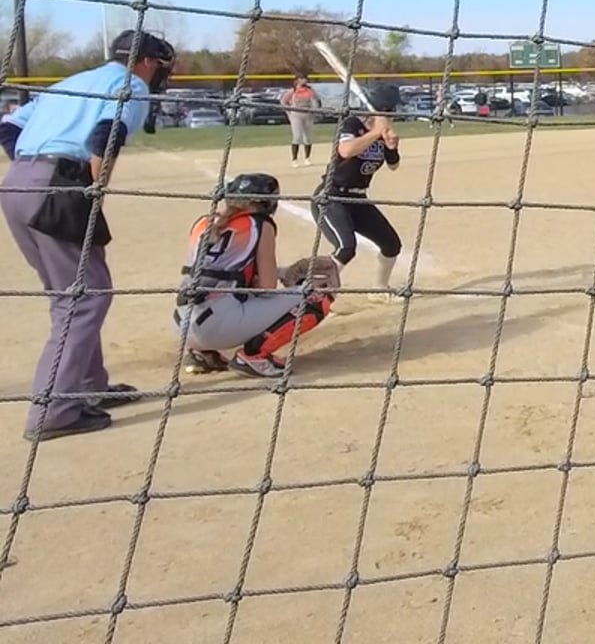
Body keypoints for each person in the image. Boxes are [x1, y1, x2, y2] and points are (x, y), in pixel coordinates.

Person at [0, 30, 174, 440]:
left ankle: (88, 386)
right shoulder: (131, 84)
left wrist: (34, 166)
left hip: (17, 183)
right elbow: (105, 137)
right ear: (147, 62)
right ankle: (54, 411)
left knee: (71, 293)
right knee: (85, 298)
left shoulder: (74, 80)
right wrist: (92, 189)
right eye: (159, 66)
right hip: (58, 186)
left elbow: (7, 127)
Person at [175, 173, 340, 377]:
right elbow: (267, 288)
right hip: (215, 327)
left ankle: (201, 354)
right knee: (317, 296)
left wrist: (282, 272)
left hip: (182, 325)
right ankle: (253, 356)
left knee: (230, 292)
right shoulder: (260, 224)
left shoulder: (204, 222)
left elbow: (222, 270)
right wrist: (290, 280)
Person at [315, 82, 405, 298]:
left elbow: (393, 165)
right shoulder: (351, 124)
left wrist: (391, 147)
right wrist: (375, 132)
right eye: (392, 109)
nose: (395, 114)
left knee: (391, 244)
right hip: (331, 197)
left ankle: (379, 290)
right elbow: (346, 151)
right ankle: (313, 296)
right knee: (346, 248)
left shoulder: (382, 132)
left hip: (358, 199)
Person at [280, 75, 321, 166]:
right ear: (297, 80)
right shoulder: (293, 91)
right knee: (297, 137)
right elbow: (283, 101)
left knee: (308, 137)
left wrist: (314, 111)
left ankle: (307, 158)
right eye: (302, 79)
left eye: (305, 79)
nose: (304, 80)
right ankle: (294, 159)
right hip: (296, 115)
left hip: (308, 115)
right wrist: (289, 112)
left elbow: (316, 102)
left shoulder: (310, 91)